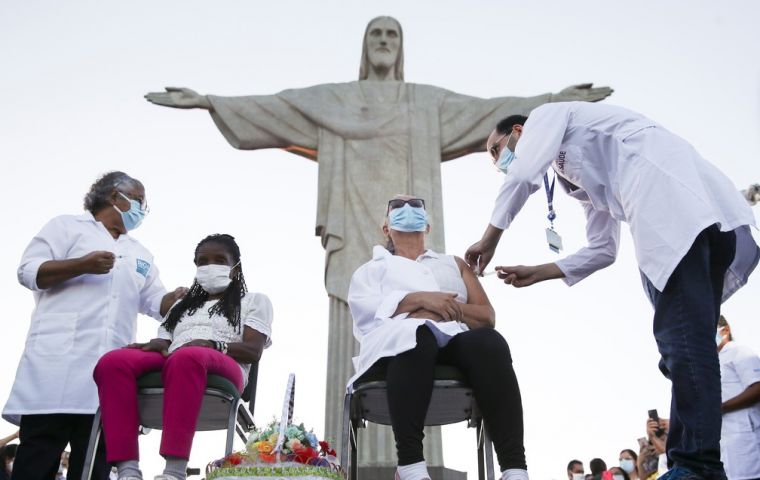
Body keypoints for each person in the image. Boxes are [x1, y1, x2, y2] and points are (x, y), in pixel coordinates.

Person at [144, 14, 612, 455]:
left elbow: (488, 112)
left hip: (421, 246)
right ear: (365, 48)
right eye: (376, 35)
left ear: (401, 47)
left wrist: (552, 100)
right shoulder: (336, 100)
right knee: (368, 316)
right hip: (353, 223)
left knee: (427, 336)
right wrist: (209, 101)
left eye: (392, 34)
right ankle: (354, 453)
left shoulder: (426, 102)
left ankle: (419, 459)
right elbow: (277, 107)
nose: (385, 41)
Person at [465, 102, 759, 480]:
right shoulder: (578, 176)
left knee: (682, 345)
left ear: (519, 132)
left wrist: (489, 240)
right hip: (695, 216)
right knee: (686, 348)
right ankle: (692, 459)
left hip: (673, 212)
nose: (497, 161)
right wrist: (539, 272)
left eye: (496, 149)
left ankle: (697, 466)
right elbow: (604, 248)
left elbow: (522, 175)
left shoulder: (548, 117)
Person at [3, 171, 184, 480]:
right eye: (139, 201)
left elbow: (155, 302)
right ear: (115, 197)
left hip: (107, 376)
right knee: (36, 462)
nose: (143, 210)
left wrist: (177, 299)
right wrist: (81, 265)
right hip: (55, 370)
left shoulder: (140, 253)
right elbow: (28, 271)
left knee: (95, 467)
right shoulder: (66, 227)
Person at [347, 195, 528, 480]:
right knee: (416, 335)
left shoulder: (453, 264)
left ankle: (514, 468)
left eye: (416, 206)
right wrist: (421, 299)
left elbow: (486, 316)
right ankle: (410, 465)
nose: (408, 210)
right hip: (399, 349)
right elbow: (365, 311)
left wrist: (445, 309)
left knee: (490, 343)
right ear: (386, 229)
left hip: (455, 338)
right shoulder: (372, 269)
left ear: (428, 225)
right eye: (397, 206)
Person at [94, 233, 273, 480]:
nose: (210, 266)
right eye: (202, 262)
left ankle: (174, 471)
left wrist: (213, 345)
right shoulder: (182, 306)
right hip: (177, 359)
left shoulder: (254, 301)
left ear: (235, 268)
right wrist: (157, 342)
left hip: (226, 363)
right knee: (113, 362)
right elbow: (168, 342)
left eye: (220, 260)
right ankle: (127, 470)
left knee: (187, 357)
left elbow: (253, 351)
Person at [716, 315, 760, 479]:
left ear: (725, 330)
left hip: (748, 438)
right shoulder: (714, 361)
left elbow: (757, 387)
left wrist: (721, 408)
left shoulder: (739, 351)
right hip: (728, 444)